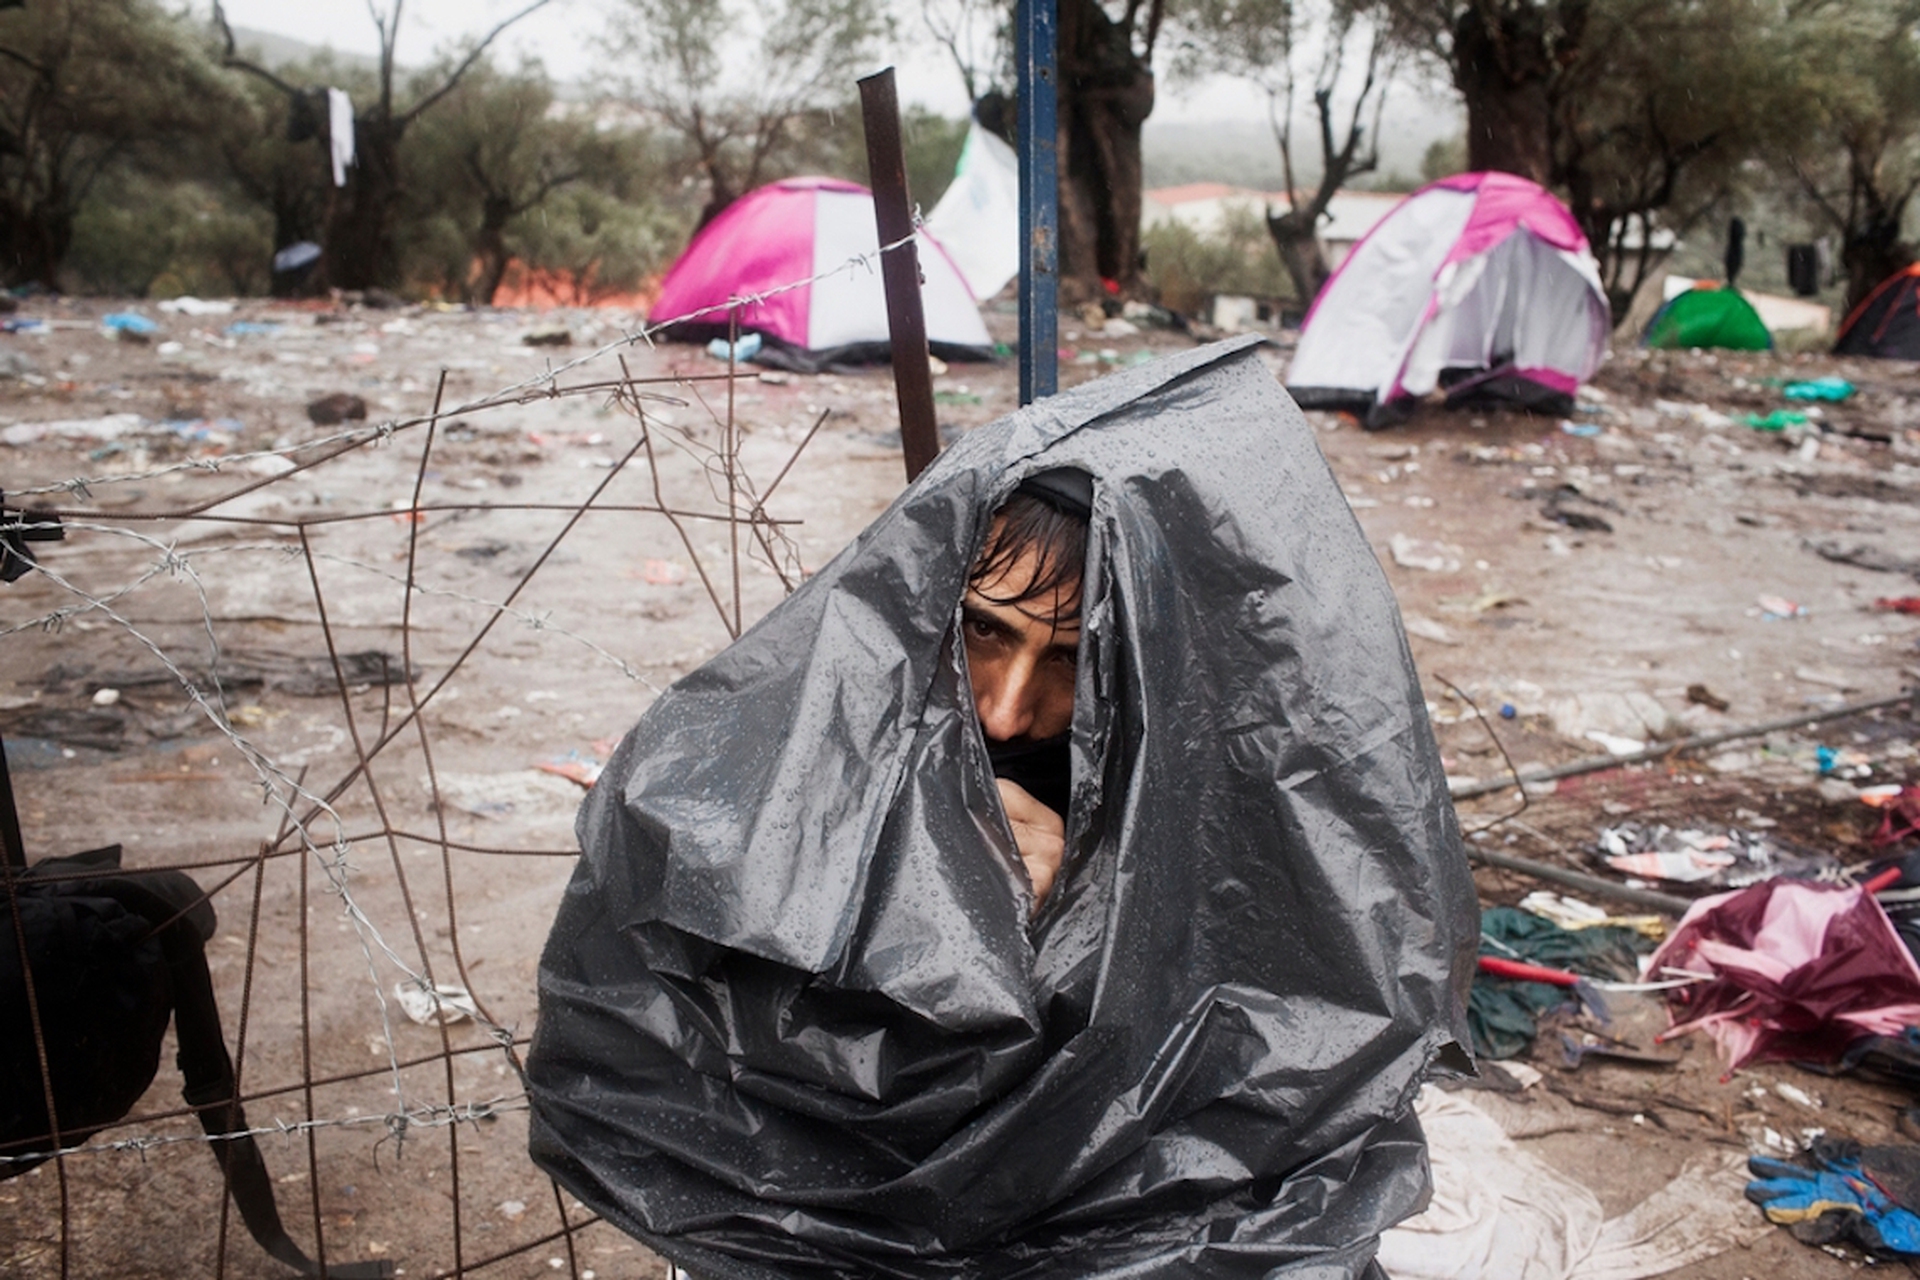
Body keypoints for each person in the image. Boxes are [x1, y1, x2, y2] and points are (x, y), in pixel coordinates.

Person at [528, 336, 1477, 1279]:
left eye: (1070, 660)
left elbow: (1284, 1050)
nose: (1007, 707)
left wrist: (1096, 918)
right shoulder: (846, 715)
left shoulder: (1239, 773)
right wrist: (918, 894)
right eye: (984, 631)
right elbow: (677, 913)